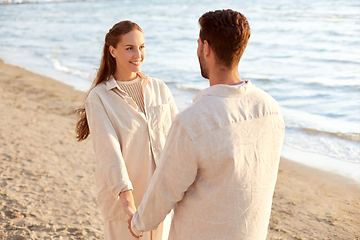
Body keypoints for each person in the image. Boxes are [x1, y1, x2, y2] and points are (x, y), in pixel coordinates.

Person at [127, 9, 285, 239]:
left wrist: (138, 223)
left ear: (206, 48)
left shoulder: (192, 121)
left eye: (199, 44)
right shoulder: (270, 109)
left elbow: (164, 191)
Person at [75, 20, 178, 240]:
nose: (138, 54)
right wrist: (128, 203)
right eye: (129, 48)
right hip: (123, 206)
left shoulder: (159, 88)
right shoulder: (100, 98)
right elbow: (109, 152)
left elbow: (178, 140)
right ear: (112, 51)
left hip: (161, 201)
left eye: (141, 47)